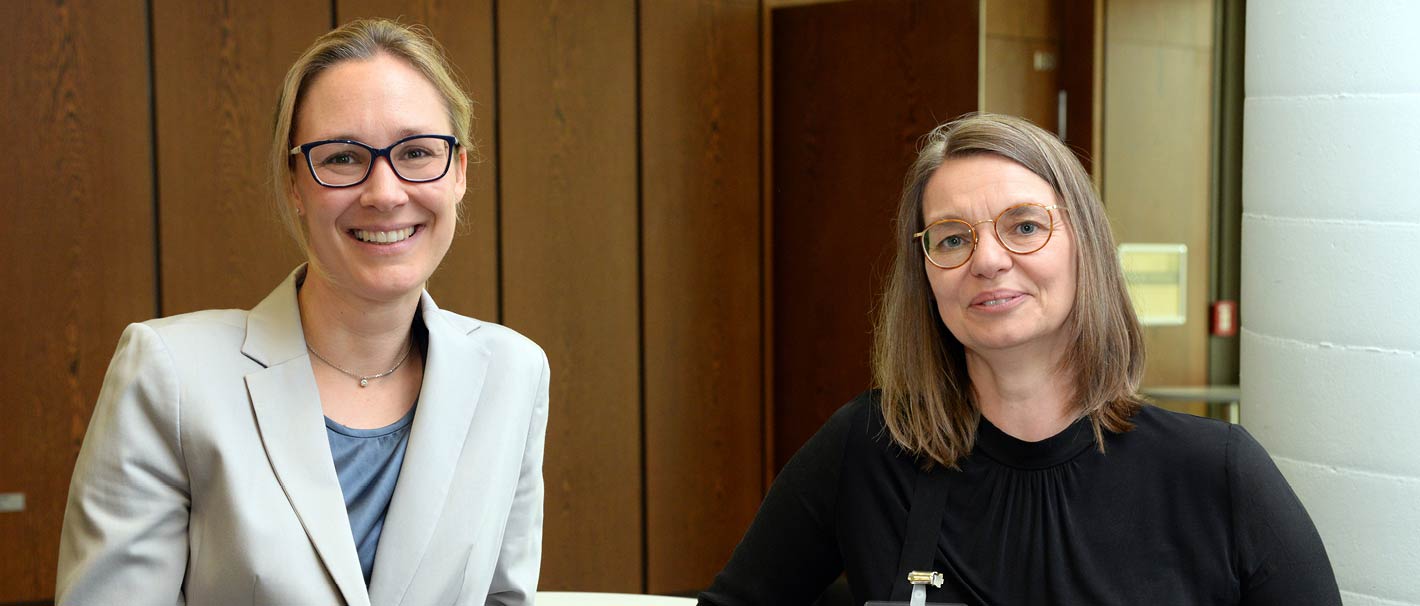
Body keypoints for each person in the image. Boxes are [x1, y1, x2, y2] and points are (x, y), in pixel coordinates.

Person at [698, 113, 1339, 605]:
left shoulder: (1217, 473)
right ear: (927, 274)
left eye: (1025, 226)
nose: (989, 260)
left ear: (1083, 244)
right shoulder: (866, 451)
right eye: (952, 238)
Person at [56, 19, 548, 605]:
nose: (385, 192)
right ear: (294, 183)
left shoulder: (513, 374)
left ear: (460, 172)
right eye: (342, 157)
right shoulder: (170, 376)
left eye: (417, 152)